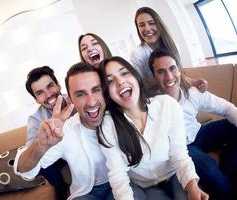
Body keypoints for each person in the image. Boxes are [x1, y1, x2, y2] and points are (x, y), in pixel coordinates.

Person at [15, 62, 147, 200]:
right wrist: (40, 146)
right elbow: (26, 170)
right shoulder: (59, 128)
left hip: (125, 181)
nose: (91, 102)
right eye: (80, 94)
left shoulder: (120, 115)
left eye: (96, 90)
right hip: (87, 191)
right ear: (71, 99)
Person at [97, 56, 208, 200]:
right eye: (110, 81)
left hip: (175, 176)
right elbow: (118, 175)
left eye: (124, 73)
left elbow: (179, 154)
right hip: (146, 187)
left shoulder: (167, 105)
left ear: (136, 77)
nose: (120, 82)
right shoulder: (107, 124)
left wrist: (192, 187)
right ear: (107, 93)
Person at [148, 48, 237, 200]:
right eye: (161, 71)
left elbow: (227, 108)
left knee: (233, 126)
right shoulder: (151, 104)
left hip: (200, 133)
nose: (169, 76)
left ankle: (228, 173)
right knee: (208, 167)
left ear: (179, 70)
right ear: (154, 76)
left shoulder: (193, 92)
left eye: (172, 68)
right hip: (183, 147)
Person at [130, 7, 207, 97]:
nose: (147, 29)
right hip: (158, 100)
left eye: (152, 23)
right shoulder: (137, 54)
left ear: (159, 24)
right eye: (141, 25)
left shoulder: (173, 46)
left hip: (178, 94)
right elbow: (142, 88)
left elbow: (178, 75)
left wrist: (194, 82)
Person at [25, 66, 73, 198]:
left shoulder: (74, 99)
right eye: (40, 93)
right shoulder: (35, 119)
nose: (48, 95)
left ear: (58, 85)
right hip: (57, 156)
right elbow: (30, 152)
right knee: (39, 160)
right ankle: (60, 186)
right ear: (36, 99)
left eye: (50, 86)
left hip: (81, 145)